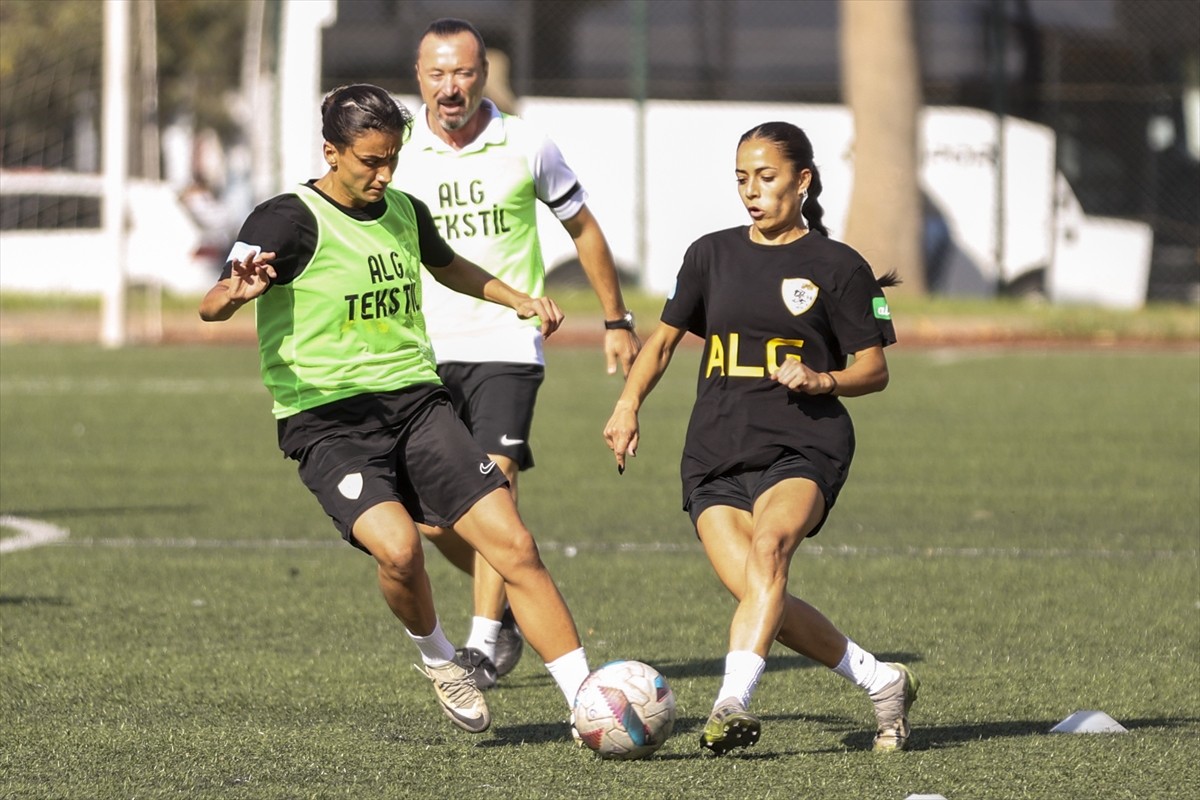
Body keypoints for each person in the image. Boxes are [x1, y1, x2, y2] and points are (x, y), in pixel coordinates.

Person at [198, 83, 591, 737]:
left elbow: (447, 265)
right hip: (327, 421)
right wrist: (235, 295)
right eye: (369, 162)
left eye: (392, 160)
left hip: (416, 405)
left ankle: (587, 702)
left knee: (515, 544)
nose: (383, 175)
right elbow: (212, 302)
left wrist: (514, 298)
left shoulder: (403, 210)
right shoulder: (284, 219)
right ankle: (440, 659)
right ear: (332, 151)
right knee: (401, 550)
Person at [603, 121, 918, 756]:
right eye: (742, 179)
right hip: (715, 449)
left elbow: (874, 370)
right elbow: (662, 341)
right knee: (759, 591)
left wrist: (821, 377)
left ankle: (731, 702)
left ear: (802, 181)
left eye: (766, 177)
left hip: (802, 443)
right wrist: (628, 403)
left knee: (770, 549)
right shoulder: (709, 255)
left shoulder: (838, 267)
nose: (752, 191)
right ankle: (883, 682)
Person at [397, 17, 641, 687]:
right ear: (419, 77)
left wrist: (616, 318)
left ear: (484, 74)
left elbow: (583, 229)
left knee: (495, 480)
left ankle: (480, 644)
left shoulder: (527, 144)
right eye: (438, 74)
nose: (452, 88)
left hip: (508, 340)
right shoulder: (395, 151)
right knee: (431, 522)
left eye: (465, 73)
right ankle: (507, 607)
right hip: (420, 348)